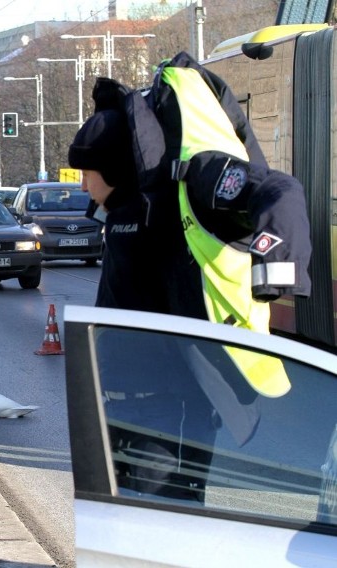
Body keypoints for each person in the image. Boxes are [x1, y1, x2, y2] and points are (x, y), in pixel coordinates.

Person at [67, 59, 312, 502]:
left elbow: (282, 192)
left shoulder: (193, 178)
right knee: (126, 533)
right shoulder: (127, 208)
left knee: (158, 527)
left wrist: (275, 272)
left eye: (85, 172)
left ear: (113, 166)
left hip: (169, 409)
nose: (82, 185)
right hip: (125, 405)